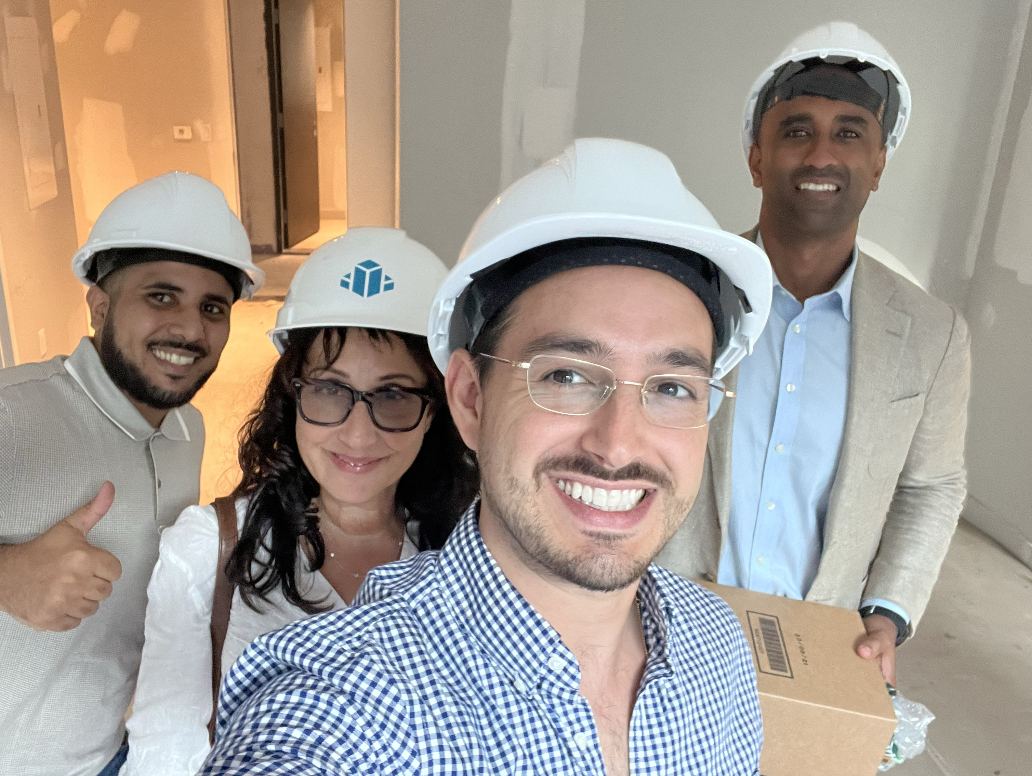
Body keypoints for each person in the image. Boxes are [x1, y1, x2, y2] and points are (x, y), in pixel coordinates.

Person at [201, 138, 773, 776]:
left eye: (672, 388)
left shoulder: (716, 645)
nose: (619, 445)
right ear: (470, 400)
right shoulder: (349, 702)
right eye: (566, 377)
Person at [657, 22, 971, 687]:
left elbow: (932, 486)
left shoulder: (932, 334)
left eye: (850, 133)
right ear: (756, 159)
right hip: (666, 629)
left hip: (818, 649)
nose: (822, 154)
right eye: (796, 130)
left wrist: (887, 613)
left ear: (879, 163)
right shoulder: (680, 293)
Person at [123, 227, 478, 776]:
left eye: (394, 395)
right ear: (293, 395)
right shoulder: (207, 546)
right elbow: (162, 751)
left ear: (436, 412)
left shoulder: (470, 553)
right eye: (330, 389)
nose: (358, 436)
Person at [0, 172, 264, 776]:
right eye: (161, 296)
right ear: (99, 305)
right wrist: (6, 574)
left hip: (111, 752)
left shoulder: (187, 430)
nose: (190, 330)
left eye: (212, 307)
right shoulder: (14, 413)